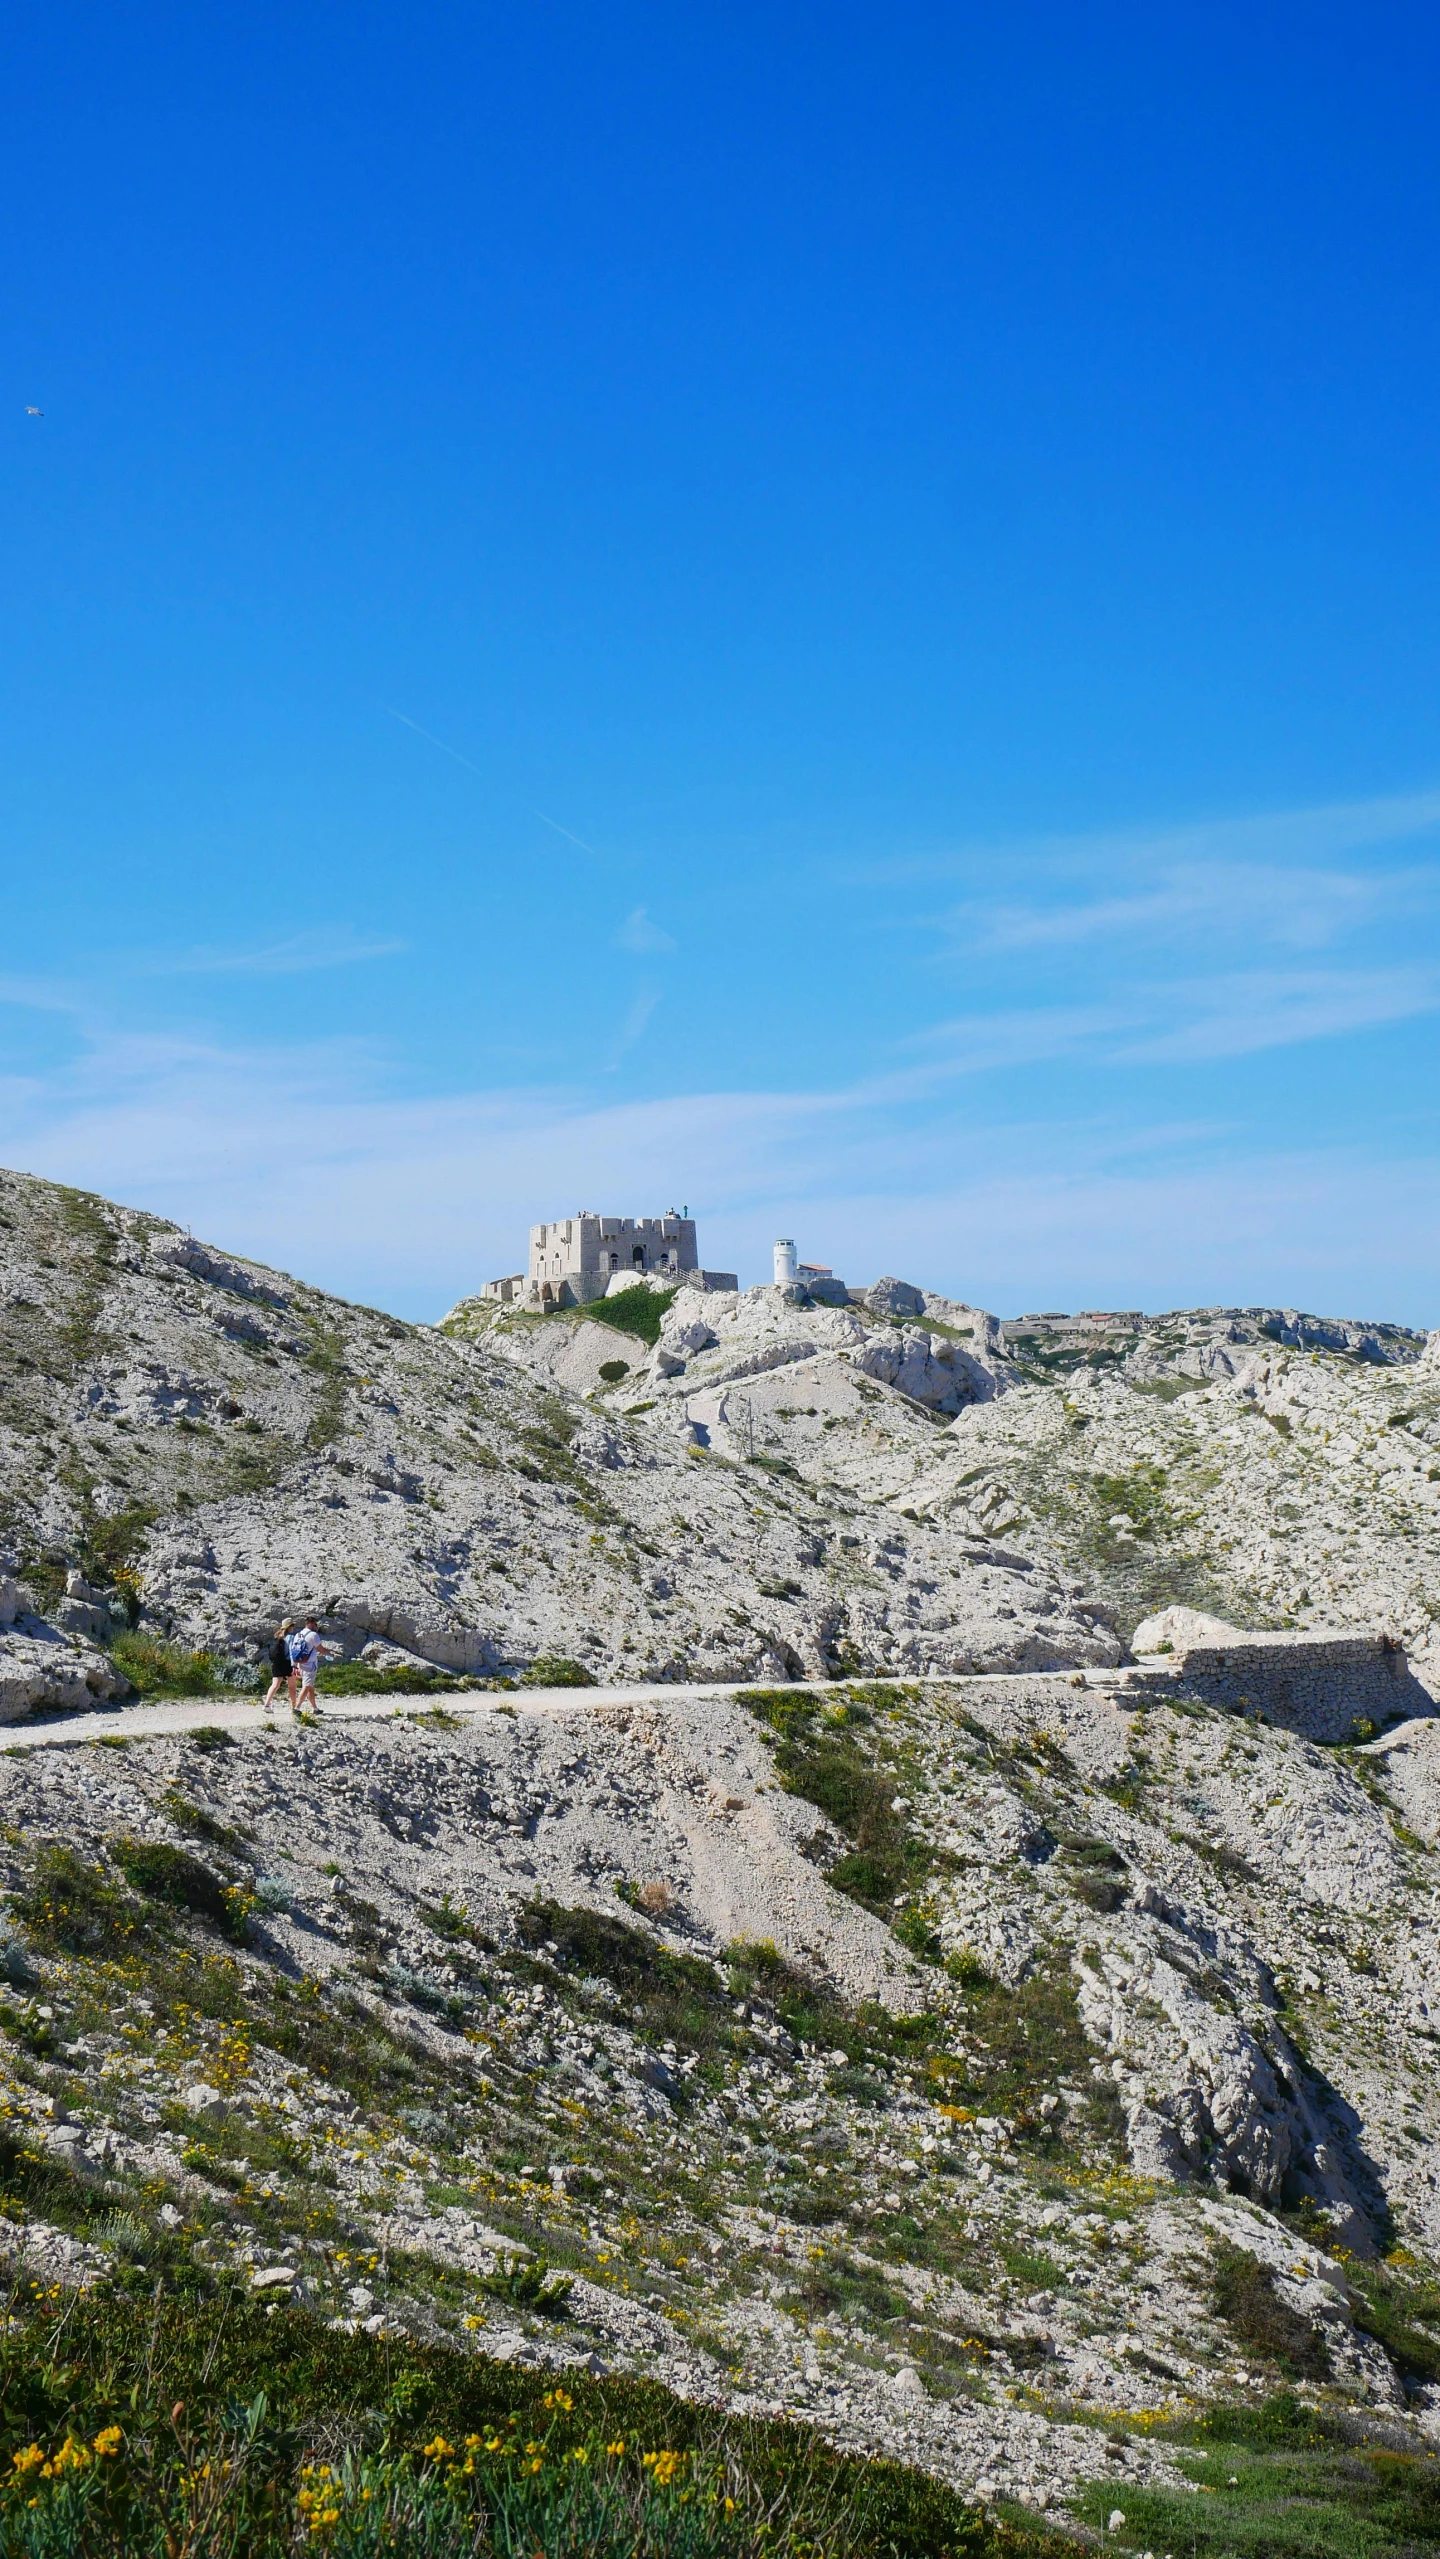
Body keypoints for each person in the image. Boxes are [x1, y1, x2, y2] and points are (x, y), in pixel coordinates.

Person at [289, 1615, 324, 1710]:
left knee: (310, 1686)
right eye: (315, 1624)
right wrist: (330, 1653)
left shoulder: (298, 1635)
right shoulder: (313, 1635)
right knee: (307, 1686)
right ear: (311, 1624)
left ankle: (315, 1708)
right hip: (310, 1665)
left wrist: (295, 1666)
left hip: (301, 1664)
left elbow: (294, 1650)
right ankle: (297, 1708)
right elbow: (321, 1649)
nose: (316, 1627)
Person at [262, 1619, 296, 1711]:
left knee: (275, 1685)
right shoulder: (291, 1637)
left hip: (277, 1663)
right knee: (292, 1685)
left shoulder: (277, 1636)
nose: (294, 1627)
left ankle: (267, 1705)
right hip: (288, 1663)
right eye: (293, 1625)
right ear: (290, 1627)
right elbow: (292, 1652)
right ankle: (294, 1707)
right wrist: (294, 1665)